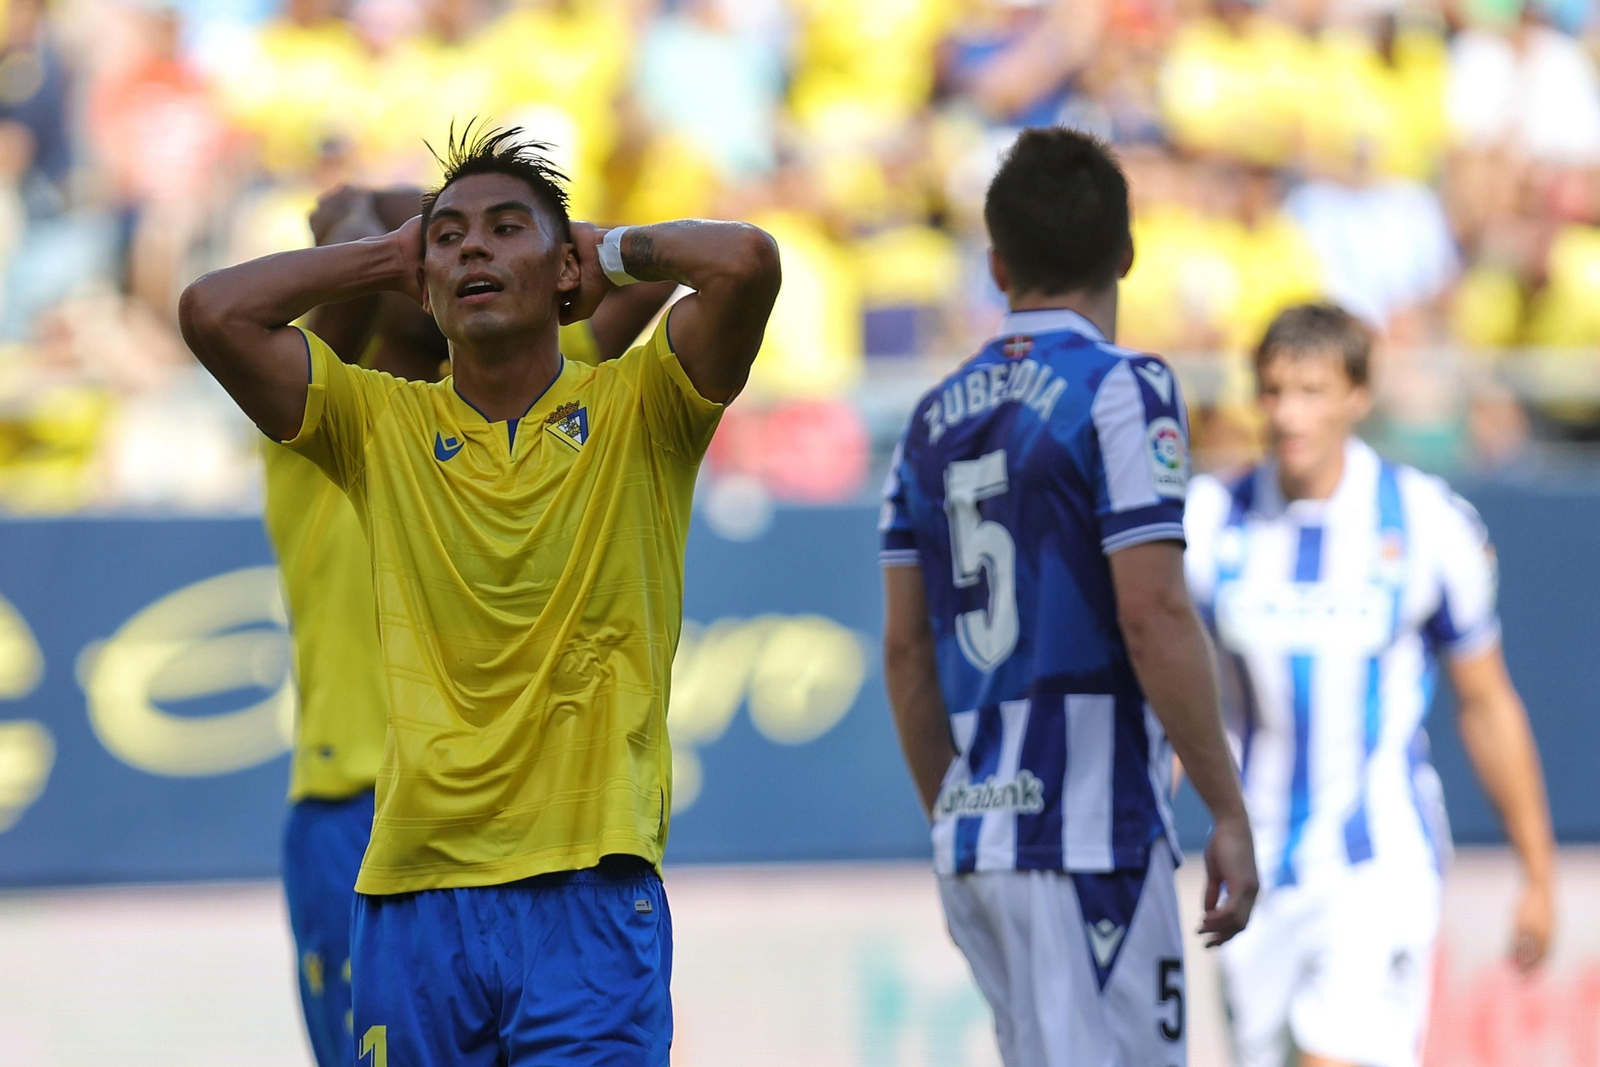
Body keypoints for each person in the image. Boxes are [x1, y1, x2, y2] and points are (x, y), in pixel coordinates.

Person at [183, 124, 780, 1066]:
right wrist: (388, 253)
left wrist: (610, 248)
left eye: (507, 229)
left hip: (587, 889)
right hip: (414, 894)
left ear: (567, 272)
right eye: (449, 235)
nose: (472, 247)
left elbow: (744, 260)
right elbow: (211, 312)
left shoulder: (641, 407)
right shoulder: (378, 423)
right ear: (424, 278)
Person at [267, 183, 673, 1067]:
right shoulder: (344, 416)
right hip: (363, 810)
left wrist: (573, 250)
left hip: (515, 823)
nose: (463, 257)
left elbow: (651, 288)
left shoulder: (526, 388)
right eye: (439, 241)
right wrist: (373, 236)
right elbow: (249, 317)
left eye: (490, 238)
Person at [879, 125, 1257, 1067]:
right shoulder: (1124, 387)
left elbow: (904, 653)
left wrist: (963, 813)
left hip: (979, 839)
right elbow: (1153, 610)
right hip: (1087, 839)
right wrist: (1228, 810)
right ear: (1126, 252)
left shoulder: (925, 422)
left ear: (998, 267)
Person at [1183, 303, 1557, 1067]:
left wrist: (1538, 871)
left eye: (1312, 391)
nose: (1289, 414)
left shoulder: (1423, 520)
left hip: (1376, 860)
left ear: (1358, 395)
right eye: (1274, 391)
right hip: (1255, 870)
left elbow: (1485, 701)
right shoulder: (1210, 518)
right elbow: (1167, 690)